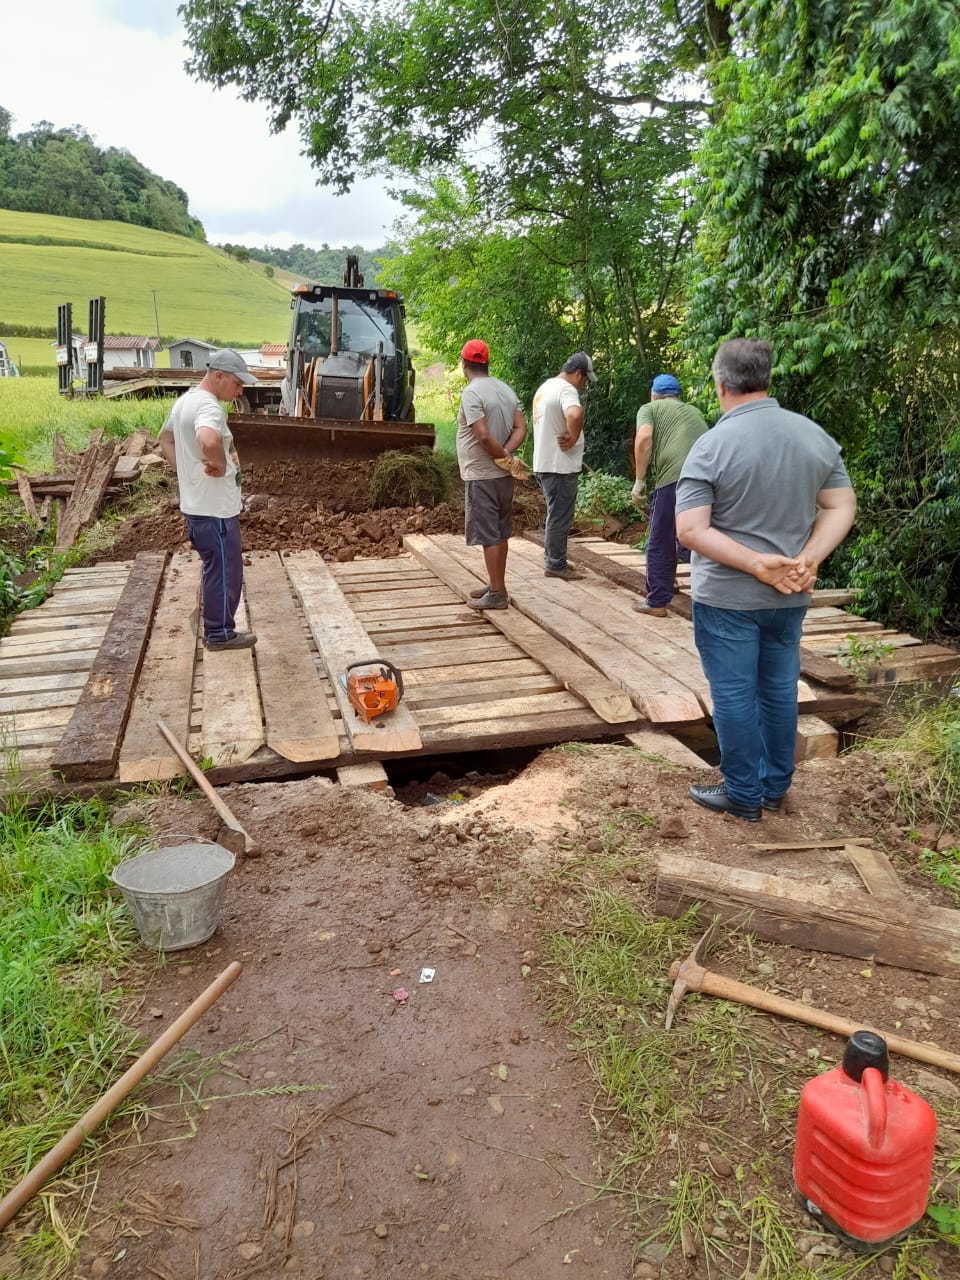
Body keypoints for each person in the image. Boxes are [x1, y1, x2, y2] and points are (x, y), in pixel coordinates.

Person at [675, 338, 856, 821]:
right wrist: (809, 559)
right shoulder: (813, 437)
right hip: (790, 595)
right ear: (767, 378)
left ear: (720, 385)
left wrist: (755, 564)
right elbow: (841, 505)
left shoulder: (711, 445)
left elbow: (690, 529)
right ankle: (775, 787)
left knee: (734, 694)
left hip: (728, 600)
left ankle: (743, 794)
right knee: (778, 690)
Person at [158, 349, 258, 650]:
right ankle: (219, 633)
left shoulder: (184, 401)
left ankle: (218, 628)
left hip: (198, 505)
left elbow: (165, 439)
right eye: (237, 383)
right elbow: (208, 439)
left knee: (216, 567)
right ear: (218, 376)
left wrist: (187, 473)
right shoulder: (208, 407)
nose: (240, 390)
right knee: (225, 570)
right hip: (215, 511)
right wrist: (221, 464)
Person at [455, 339, 528, 610]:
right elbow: (521, 427)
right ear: (486, 363)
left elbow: (483, 434)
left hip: (482, 475)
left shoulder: (472, 393)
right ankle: (496, 583)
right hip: (502, 476)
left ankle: (497, 593)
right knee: (500, 532)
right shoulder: (505, 389)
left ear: (464, 365)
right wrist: (507, 457)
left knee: (489, 535)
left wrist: (499, 456)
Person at [631, 372, 708, 615]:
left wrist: (639, 480)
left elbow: (644, 438)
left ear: (654, 394)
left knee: (659, 539)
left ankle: (656, 602)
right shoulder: (694, 412)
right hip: (707, 479)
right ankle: (712, 595)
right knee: (696, 537)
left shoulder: (650, 408)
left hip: (675, 477)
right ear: (677, 395)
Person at [530, 352, 596, 580]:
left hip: (545, 462)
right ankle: (556, 565)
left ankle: (556, 559)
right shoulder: (566, 389)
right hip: (559, 466)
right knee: (560, 516)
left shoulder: (545, 387)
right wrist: (573, 435)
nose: (584, 385)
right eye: (585, 380)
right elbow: (575, 414)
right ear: (578, 374)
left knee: (554, 514)